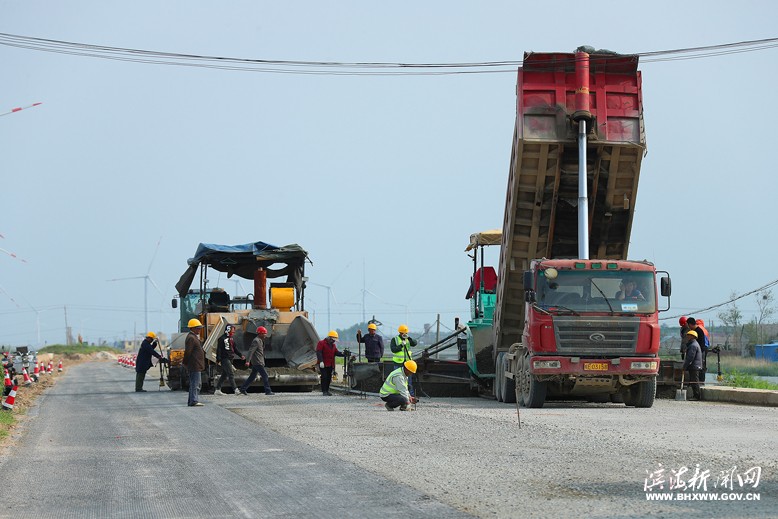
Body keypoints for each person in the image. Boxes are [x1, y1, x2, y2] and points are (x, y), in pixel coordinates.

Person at [238, 326, 274, 395]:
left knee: (252, 376)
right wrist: (247, 361)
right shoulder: (256, 341)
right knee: (265, 375)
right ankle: (268, 391)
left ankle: (242, 389)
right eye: (264, 333)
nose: (265, 335)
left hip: (259, 361)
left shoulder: (260, 340)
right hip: (257, 362)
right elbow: (251, 351)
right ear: (260, 334)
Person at [214, 325, 245, 395]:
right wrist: (218, 358)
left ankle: (217, 389)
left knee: (224, 375)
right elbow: (219, 349)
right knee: (231, 373)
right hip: (224, 358)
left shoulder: (231, 339)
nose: (233, 332)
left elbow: (234, 348)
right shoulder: (221, 338)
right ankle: (235, 389)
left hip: (230, 358)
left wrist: (240, 355)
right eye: (232, 330)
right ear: (228, 330)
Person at [316, 330, 348, 396]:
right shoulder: (321, 343)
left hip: (330, 364)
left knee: (328, 377)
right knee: (324, 377)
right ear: (330, 338)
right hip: (323, 364)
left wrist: (343, 354)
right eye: (333, 339)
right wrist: (321, 361)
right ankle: (324, 391)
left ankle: (327, 390)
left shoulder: (333, 346)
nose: (334, 341)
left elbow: (336, 353)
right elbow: (318, 352)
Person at [182, 318, 205, 407]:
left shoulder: (194, 337)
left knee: (195, 383)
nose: (199, 330)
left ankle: (191, 400)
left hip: (196, 364)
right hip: (194, 364)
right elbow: (188, 352)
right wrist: (185, 363)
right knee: (196, 383)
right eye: (197, 328)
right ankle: (194, 401)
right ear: (192, 328)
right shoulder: (191, 338)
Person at [686, 317, 710, 382]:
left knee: (700, 366)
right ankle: (695, 381)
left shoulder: (699, 331)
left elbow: (702, 344)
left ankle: (701, 381)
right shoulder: (696, 331)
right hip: (697, 351)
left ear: (690, 324)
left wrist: (698, 353)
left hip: (701, 351)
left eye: (688, 325)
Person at [682, 330, 703, 400]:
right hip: (694, 366)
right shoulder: (693, 344)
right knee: (693, 380)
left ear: (692, 336)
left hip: (695, 366)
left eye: (689, 335)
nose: (687, 336)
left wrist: (684, 366)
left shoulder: (693, 345)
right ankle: (695, 395)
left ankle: (697, 396)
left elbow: (690, 358)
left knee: (694, 381)